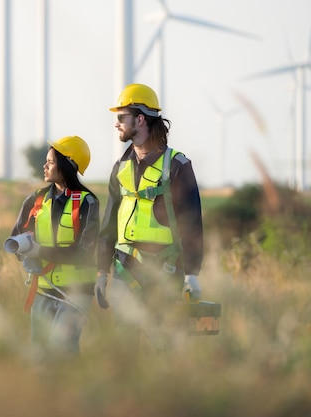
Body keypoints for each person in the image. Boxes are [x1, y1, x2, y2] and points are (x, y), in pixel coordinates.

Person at [94, 83, 204, 350]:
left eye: (122, 117)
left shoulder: (178, 166)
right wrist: (101, 270)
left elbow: (193, 224)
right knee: (123, 352)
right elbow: (109, 222)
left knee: (163, 348)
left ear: (140, 119)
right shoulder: (121, 167)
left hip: (163, 273)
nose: (116, 124)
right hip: (123, 270)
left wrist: (191, 273)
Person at [6, 135, 100, 361]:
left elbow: (84, 251)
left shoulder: (87, 202)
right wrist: (24, 254)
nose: (45, 165)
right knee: (39, 357)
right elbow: (15, 238)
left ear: (68, 164)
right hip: (43, 290)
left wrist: (40, 252)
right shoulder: (36, 200)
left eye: (51, 161)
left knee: (62, 351)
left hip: (76, 292)